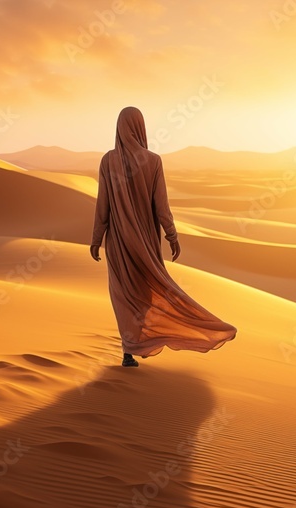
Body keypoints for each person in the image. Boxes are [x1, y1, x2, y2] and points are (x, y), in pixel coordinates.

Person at [90, 106, 237, 367]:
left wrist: (96, 238)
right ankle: (141, 342)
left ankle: (130, 349)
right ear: (140, 127)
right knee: (146, 291)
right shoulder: (153, 160)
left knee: (123, 294)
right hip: (145, 241)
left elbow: (103, 205)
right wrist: (172, 236)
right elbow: (161, 206)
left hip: (119, 243)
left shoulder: (107, 160)